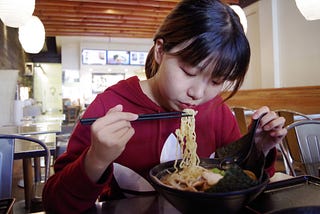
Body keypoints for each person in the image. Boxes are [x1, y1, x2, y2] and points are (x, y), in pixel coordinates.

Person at [43, 0, 287, 213]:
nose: (198, 93)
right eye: (189, 71)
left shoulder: (216, 111)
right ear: (160, 50)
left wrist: (257, 150)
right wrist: (96, 158)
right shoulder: (110, 106)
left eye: (216, 82)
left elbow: (239, 188)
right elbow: (56, 204)